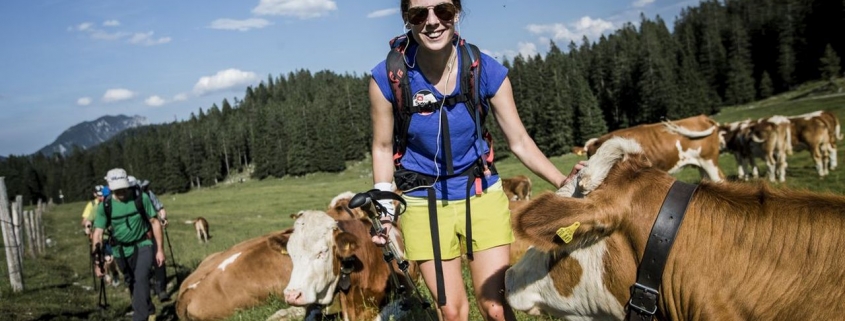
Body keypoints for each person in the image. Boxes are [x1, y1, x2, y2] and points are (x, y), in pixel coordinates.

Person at [368, 1, 581, 320]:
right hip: (422, 200)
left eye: (442, 11)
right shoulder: (389, 77)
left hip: (480, 193)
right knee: (452, 312)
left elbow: (520, 142)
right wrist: (385, 214)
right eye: (418, 14)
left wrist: (563, 182)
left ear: (456, 12)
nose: (432, 22)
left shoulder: (483, 68)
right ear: (407, 20)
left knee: (495, 308)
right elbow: (383, 147)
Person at [91, 168, 165, 321]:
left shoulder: (141, 198)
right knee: (131, 281)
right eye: (117, 189)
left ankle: (140, 317)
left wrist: (159, 250)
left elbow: (155, 222)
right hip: (120, 250)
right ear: (110, 188)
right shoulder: (105, 206)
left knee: (141, 277)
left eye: (123, 187)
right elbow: (97, 233)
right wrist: (98, 262)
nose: (121, 192)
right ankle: (149, 310)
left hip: (143, 243)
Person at [128, 175, 171, 302]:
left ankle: (161, 289)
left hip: (152, 230)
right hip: (136, 235)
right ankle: (150, 284)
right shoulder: (124, 200)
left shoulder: (147, 194)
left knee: (159, 258)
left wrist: (163, 218)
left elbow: (160, 208)